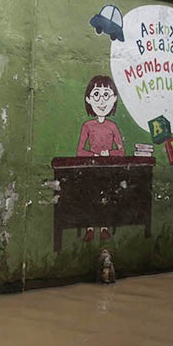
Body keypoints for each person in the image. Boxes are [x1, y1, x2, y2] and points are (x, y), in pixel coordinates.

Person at [76, 75, 125, 241]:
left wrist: (108, 154)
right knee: (90, 197)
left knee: (106, 197)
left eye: (106, 95)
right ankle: (90, 228)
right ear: (89, 99)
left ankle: (103, 227)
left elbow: (121, 151)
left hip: (108, 170)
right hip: (91, 168)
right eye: (96, 95)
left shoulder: (113, 126)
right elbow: (80, 151)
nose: (102, 101)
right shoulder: (87, 126)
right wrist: (95, 155)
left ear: (114, 99)